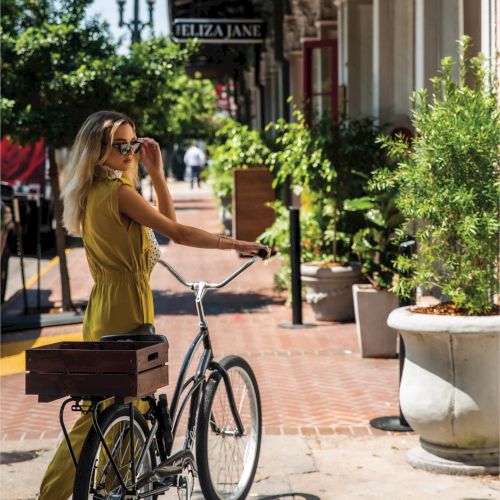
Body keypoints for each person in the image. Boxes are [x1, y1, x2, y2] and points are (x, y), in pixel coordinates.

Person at [37, 110, 269, 500]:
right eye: (119, 146)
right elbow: (176, 232)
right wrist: (235, 243)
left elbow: (166, 224)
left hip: (103, 307)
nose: (129, 152)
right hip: (128, 306)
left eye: (133, 143)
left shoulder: (92, 192)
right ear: (98, 151)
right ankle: (64, 494)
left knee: (110, 409)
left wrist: (157, 173)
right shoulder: (119, 193)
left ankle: (94, 489)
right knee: (124, 404)